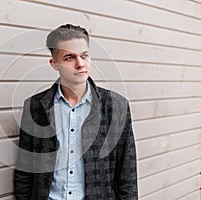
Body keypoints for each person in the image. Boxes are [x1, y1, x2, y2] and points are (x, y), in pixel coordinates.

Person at [14, 24, 138, 200]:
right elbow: (25, 170)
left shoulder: (117, 106)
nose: (80, 64)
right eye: (69, 57)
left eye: (84, 55)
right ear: (54, 64)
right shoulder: (35, 107)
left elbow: (127, 173)